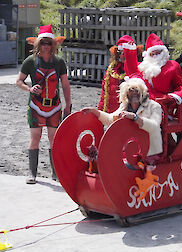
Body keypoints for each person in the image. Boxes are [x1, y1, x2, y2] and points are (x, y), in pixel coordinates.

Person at [16, 24, 72, 184]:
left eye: (49, 43)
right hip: (35, 105)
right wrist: (29, 88)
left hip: (55, 106)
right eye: (43, 43)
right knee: (35, 137)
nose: (46, 46)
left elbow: (65, 84)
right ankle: (32, 173)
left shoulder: (59, 62)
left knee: (54, 139)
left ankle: (55, 173)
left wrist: (68, 104)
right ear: (38, 44)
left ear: (53, 44)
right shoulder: (30, 61)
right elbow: (18, 81)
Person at [82, 76, 163, 156]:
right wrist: (94, 111)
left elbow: (154, 126)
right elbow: (111, 119)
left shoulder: (154, 106)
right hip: (130, 148)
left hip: (149, 150)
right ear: (126, 93)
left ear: (143, 92)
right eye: (131, 90)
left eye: (137, 90)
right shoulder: (124, 106)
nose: (134, 93)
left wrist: (135, 118)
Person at [122, 33, 182, 105]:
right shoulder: (142, 67)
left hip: (163, 105)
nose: (155, 56)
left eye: (158, 53)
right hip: (142, 104)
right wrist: (130, 51)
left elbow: (180, 87)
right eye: (152, 54)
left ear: (163, 52)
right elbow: (131, 72)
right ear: (147, 55)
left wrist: (171, 97)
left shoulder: (172, 66)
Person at [98, 35, 144, 113]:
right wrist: (101, 112)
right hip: (112, 113)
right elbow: (104, 94)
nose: (123, 55)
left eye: (125, 52)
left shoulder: (140, 70)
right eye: (121, 52)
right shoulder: (111, 70)